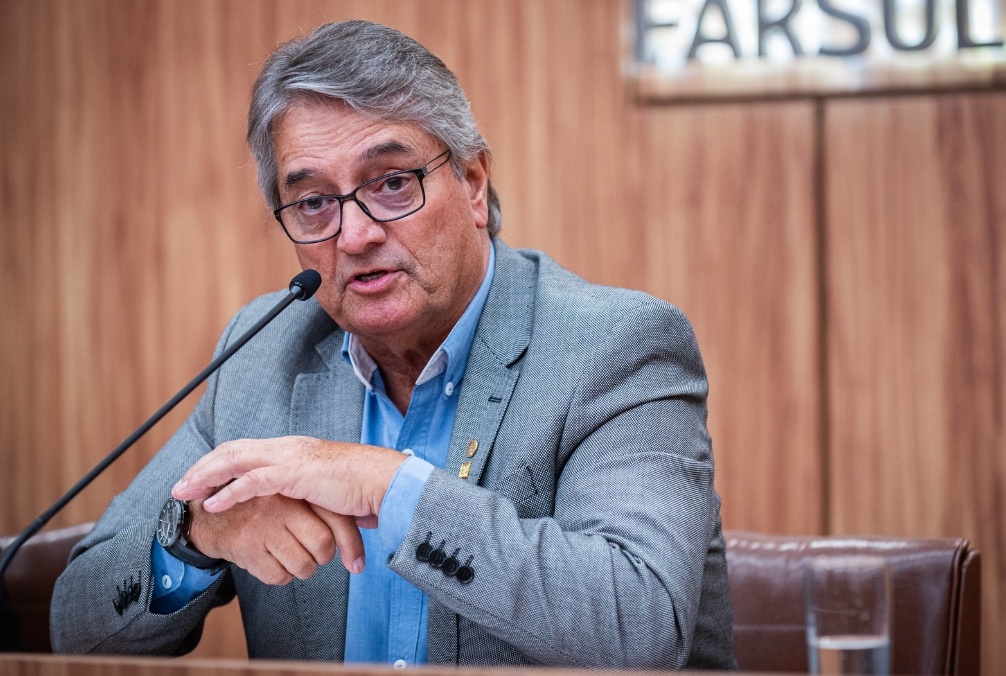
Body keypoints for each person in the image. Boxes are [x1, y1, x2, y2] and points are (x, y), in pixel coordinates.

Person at [51, 19, 735, 669]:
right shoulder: (263, 356)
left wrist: (389, 486)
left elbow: (642, 624)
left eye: (392, 183)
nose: (354, 236)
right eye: (314, 202)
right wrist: (196, 537)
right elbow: (73, 627)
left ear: (473, 183)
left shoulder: (614, 347)